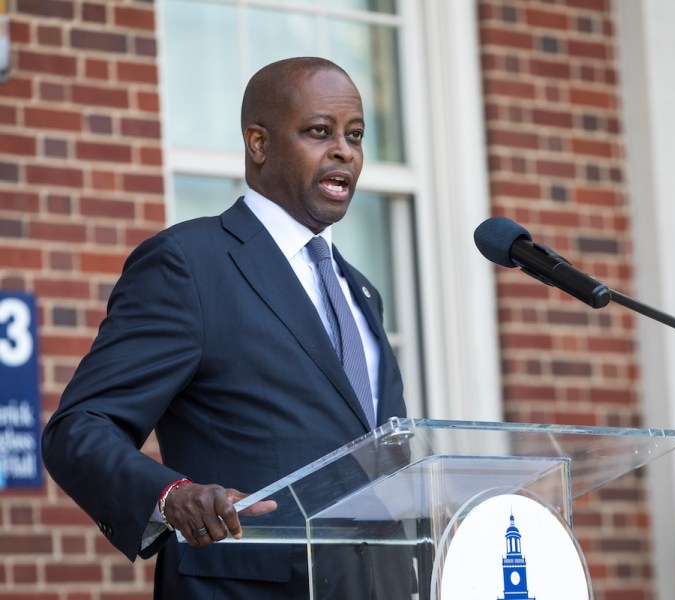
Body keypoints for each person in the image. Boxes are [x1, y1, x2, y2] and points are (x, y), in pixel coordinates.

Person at [42, 57, 409, 599]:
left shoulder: (361, 292)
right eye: (319, 131)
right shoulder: (189, 265)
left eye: (355, 135)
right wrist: (171, 496)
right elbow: (79, 428)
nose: (344, 151)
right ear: (257, 144)